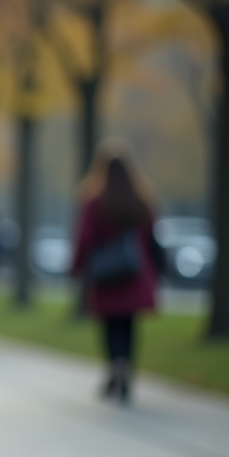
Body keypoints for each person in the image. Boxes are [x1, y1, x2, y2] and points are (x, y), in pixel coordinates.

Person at [70, 143, 162, 404]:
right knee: (129, 326)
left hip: (107, 275)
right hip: (135, 274)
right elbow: (153, 238)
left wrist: (77, 266)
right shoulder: (141, 199)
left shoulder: (95, 202)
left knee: (110, 326)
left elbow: (84, 238)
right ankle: (126, 372)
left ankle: (115, 369)